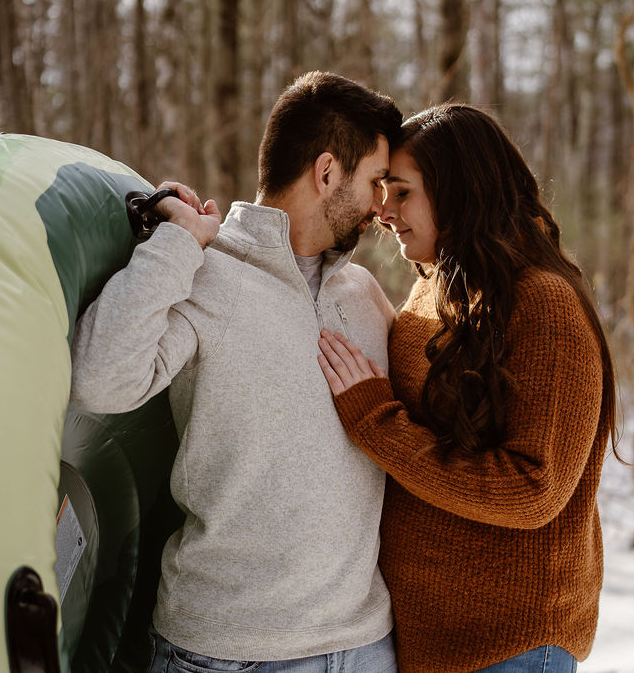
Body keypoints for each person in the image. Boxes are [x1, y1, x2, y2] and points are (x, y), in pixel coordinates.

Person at [70, 71, 402, 673]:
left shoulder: (363, 290)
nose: (382, 206)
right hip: (229, 651)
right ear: (326, 173)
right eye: (375, 182)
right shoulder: (205, 272)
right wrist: (175, 245)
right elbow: (100, 378)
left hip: (364, 647)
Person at [316, 103, 618, 673]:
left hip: (510, 647)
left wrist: (375, 423)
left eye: (402, 192)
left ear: (460, 193)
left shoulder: (545, 305)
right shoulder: (437, 289)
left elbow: (534, 491)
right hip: (429, 643)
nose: (384, 210)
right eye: (383, 189)